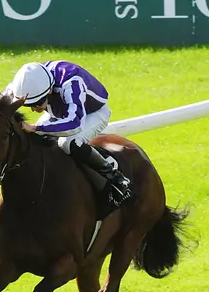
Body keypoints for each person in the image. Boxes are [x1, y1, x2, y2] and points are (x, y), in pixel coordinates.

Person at [8, 61, 133, 207]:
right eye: (29, 105)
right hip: (60, 111)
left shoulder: (72, 82)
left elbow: (74, 123)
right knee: (35, 139)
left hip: (93, 113)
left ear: (49, 90)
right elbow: (1, 102)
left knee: (68, 143)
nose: (33, 110)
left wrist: (36, 127)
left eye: (36, 104)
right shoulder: (29, 79)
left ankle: (114, 176)